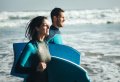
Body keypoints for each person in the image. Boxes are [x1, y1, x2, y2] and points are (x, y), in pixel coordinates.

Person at [15, 16, 51, 82]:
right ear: (37, 28)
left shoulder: (45, 44)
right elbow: (17, 69)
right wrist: (36, 68)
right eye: (45, 25)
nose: (48, 27)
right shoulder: (31, 46)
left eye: (49, 25)